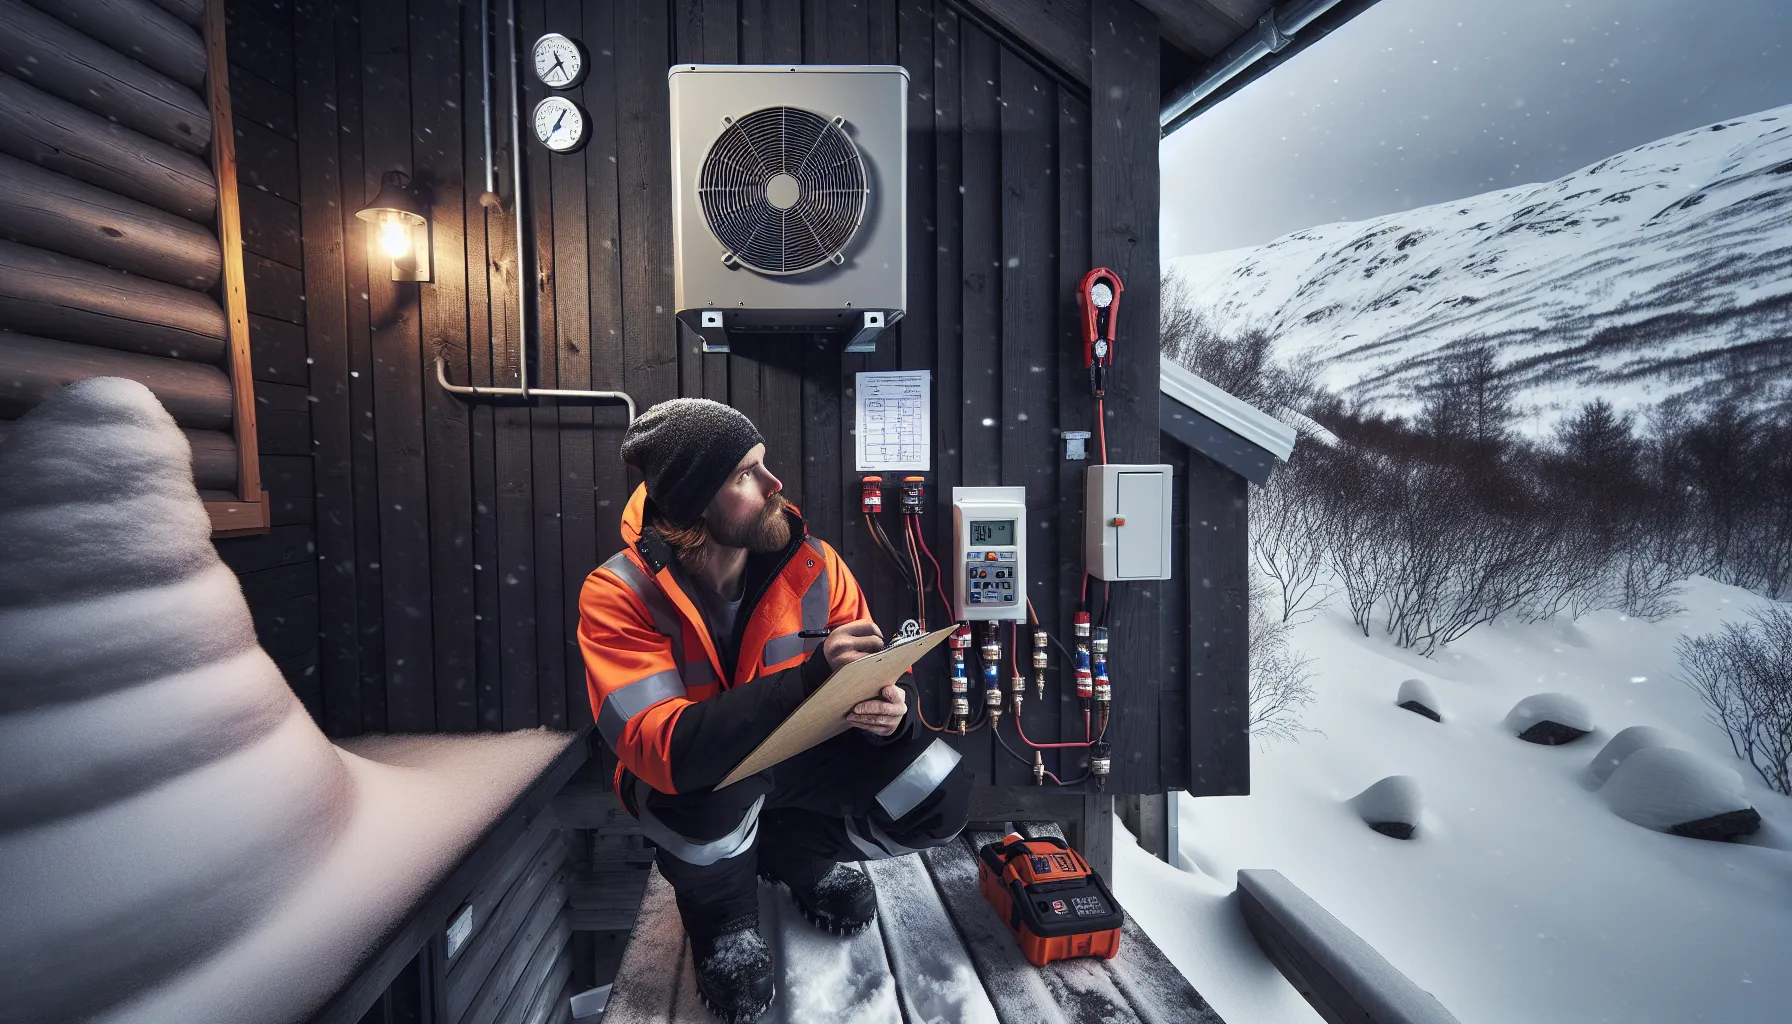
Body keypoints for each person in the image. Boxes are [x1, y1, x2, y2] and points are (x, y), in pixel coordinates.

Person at [578, 398, 970, 1023]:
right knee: (705, 800)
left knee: (935, 784)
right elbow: (667, 750)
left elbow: (880, 671)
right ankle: (722, 917)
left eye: (764, 463)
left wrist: (892, 718)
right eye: (744, 474)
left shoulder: (815, 566)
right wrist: (810, 678)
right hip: (695, 784)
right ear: (694, 506)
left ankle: (796, 856)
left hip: (798, 764)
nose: (774, 483)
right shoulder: (619, 595)